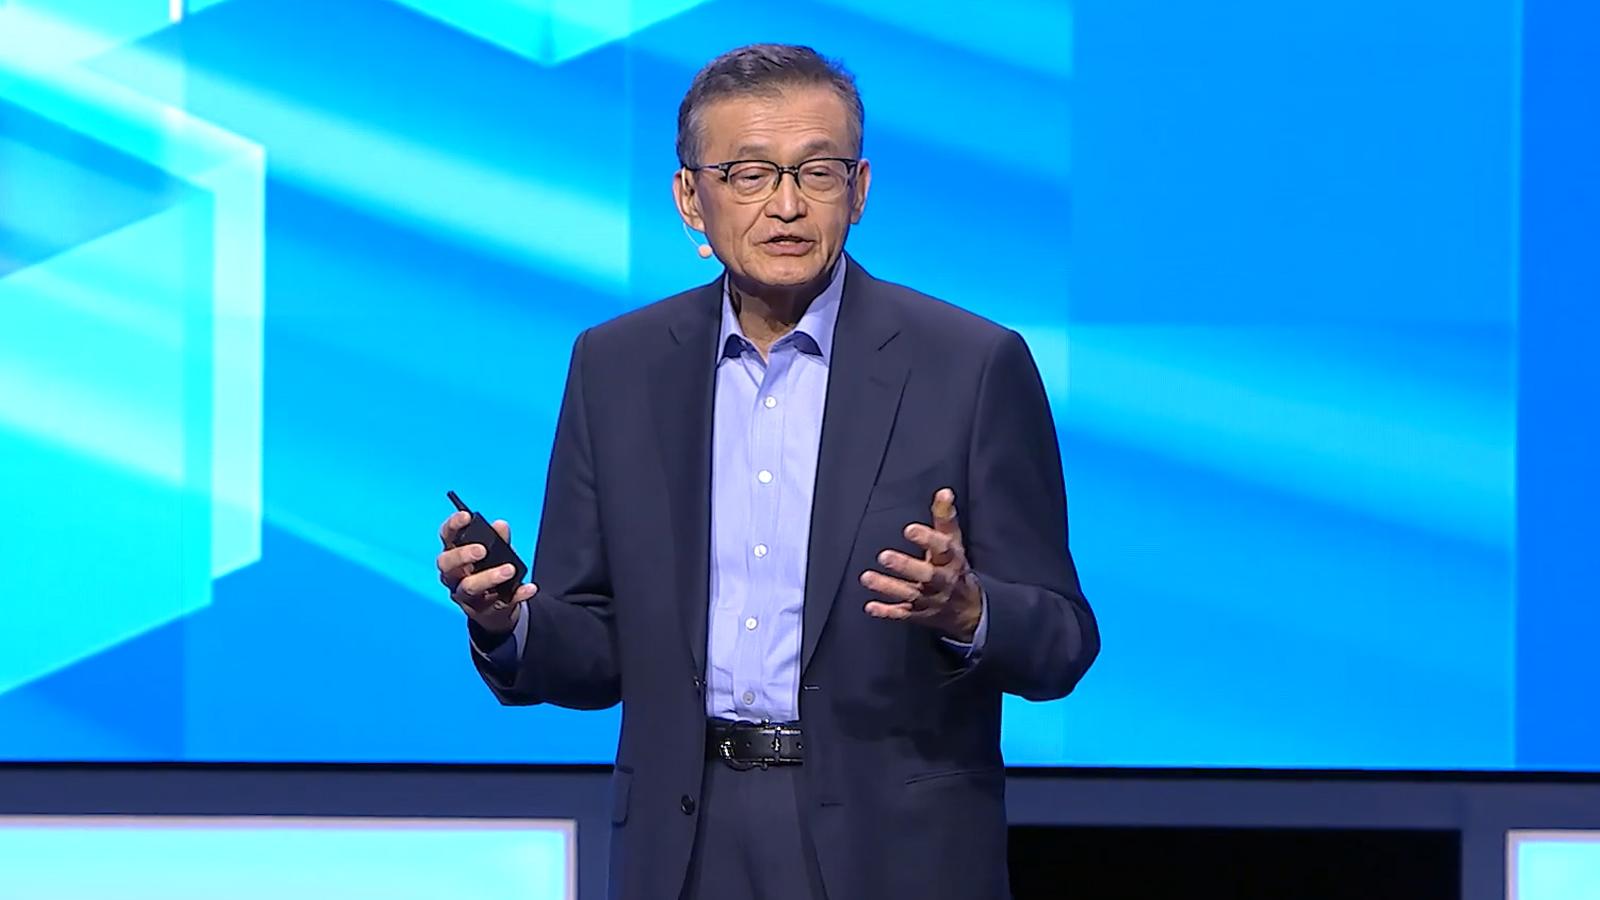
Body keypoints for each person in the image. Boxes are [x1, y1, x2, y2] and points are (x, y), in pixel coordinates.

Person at [434, 43, 1099, 900]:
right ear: (690, 197)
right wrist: (507, 621)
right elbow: (596, 650)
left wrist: (968, 610)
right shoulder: (617, 366)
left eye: (817, 172)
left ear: (859, 190)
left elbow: (1062, 642)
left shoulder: (969, 366)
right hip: (686, 845)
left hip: (895, 850)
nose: (787, 205)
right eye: (748, 175)